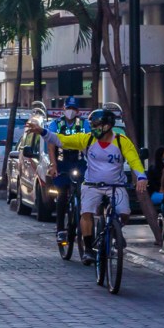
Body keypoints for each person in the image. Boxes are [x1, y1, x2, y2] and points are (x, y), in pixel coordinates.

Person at [26, 108, 147, 266]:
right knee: (86, 213)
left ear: (107, 126)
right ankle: (88, 248)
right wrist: (42, 131)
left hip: (116, 185)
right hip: (92, 185)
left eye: (96, 125)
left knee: (124, 213)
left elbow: (134, 160)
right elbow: (61, 140)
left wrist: (141, 176)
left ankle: (116, 231)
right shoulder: (87, 139)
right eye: (92, 125)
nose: (93, 129)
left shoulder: (121, 141)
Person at [46, 96, 91, 244]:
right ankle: (60, 230)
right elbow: (51, 145)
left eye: (73, 109)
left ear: (78, 111)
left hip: (79, 163)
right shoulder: (56, 124)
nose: (70, 111)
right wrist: (53, 165)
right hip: (62, 163)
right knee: (62, 195)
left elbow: (90, 144)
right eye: (68, 108)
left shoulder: (84, 124)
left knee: (83, 193)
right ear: (63, 109)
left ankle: (83, 226)